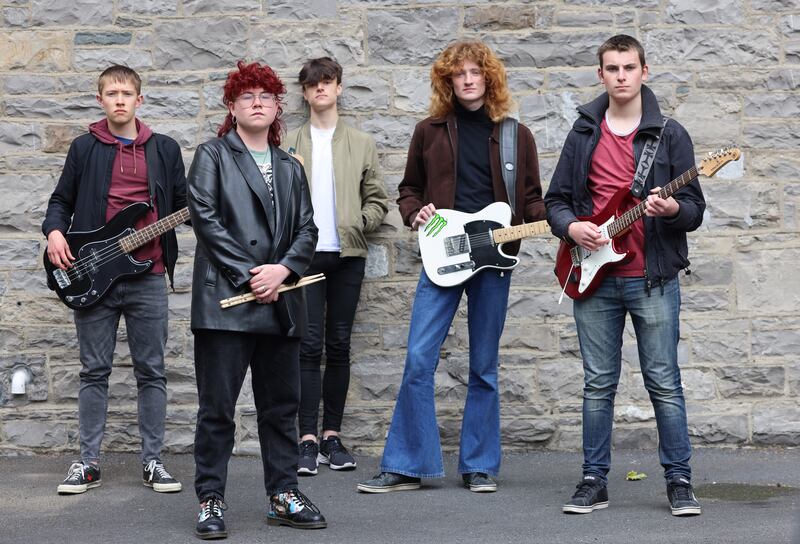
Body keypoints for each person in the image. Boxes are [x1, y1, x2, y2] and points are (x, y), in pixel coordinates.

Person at [357, 40, 545, 494]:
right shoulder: (429, 131)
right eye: (459, 73)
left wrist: (561, 223)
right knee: (419, 358)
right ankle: (407, 465)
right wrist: (415, 211)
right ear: (448, 81)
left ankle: (479, 465)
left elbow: (533, 199)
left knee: (484, 365)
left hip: (494, 258)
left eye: (475, 72)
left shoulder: (516, 135)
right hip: (443, 254)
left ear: (489, 78)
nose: (467, 79)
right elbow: (408, 189)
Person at [544, 34, 705, 517]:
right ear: (601, 75)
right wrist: (572, 228)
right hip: (593, 277)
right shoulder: (583, 132)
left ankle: (679, 481)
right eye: (612, 68)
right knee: (597, 384)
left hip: (652, 277)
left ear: (644, 71)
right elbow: (555, 201)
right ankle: (594, 480)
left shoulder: (670, 134)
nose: (620, 76)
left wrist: (672, 209)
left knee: (664, 382)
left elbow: (694, 209)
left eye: (629, 67)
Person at [187, 60, 326, 539]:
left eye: (266, 96)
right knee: (217, 410)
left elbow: (307, 228)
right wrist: (251, 276)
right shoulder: (212, 155)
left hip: (281, 299)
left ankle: (284, 494)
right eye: (247, 96)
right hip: (226, 302)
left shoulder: (289, 165)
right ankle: (210, 499)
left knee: (281, 408)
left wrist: (283, 270)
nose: (257, 103)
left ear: (277, 107)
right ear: (232, 106)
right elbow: (205, 219)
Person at [43, 65, 185, 496]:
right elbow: (61, 200)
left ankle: (153, 462)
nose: (119, 100)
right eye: (111, 93)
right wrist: (54, 232)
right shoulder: (84, 148)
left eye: (126, 93)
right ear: (100, 99)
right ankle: (88, 463)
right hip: (92, 272)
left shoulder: (164, 149)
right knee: (94, 371)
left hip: (148, 275)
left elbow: (185, 204)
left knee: (152, 371)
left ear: (140, 100)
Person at [283, 57, 388, 476]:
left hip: (347, 256)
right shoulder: (289, 143)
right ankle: (307, 439)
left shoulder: (360, 142)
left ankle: (332, 437)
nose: (320, 89)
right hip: (304, 257)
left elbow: (378, 199)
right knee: (308, 346)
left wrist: (358, 222)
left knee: (339, 344)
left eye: (327, 82)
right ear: (305, 93)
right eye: (313, 84)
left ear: (339, 87)